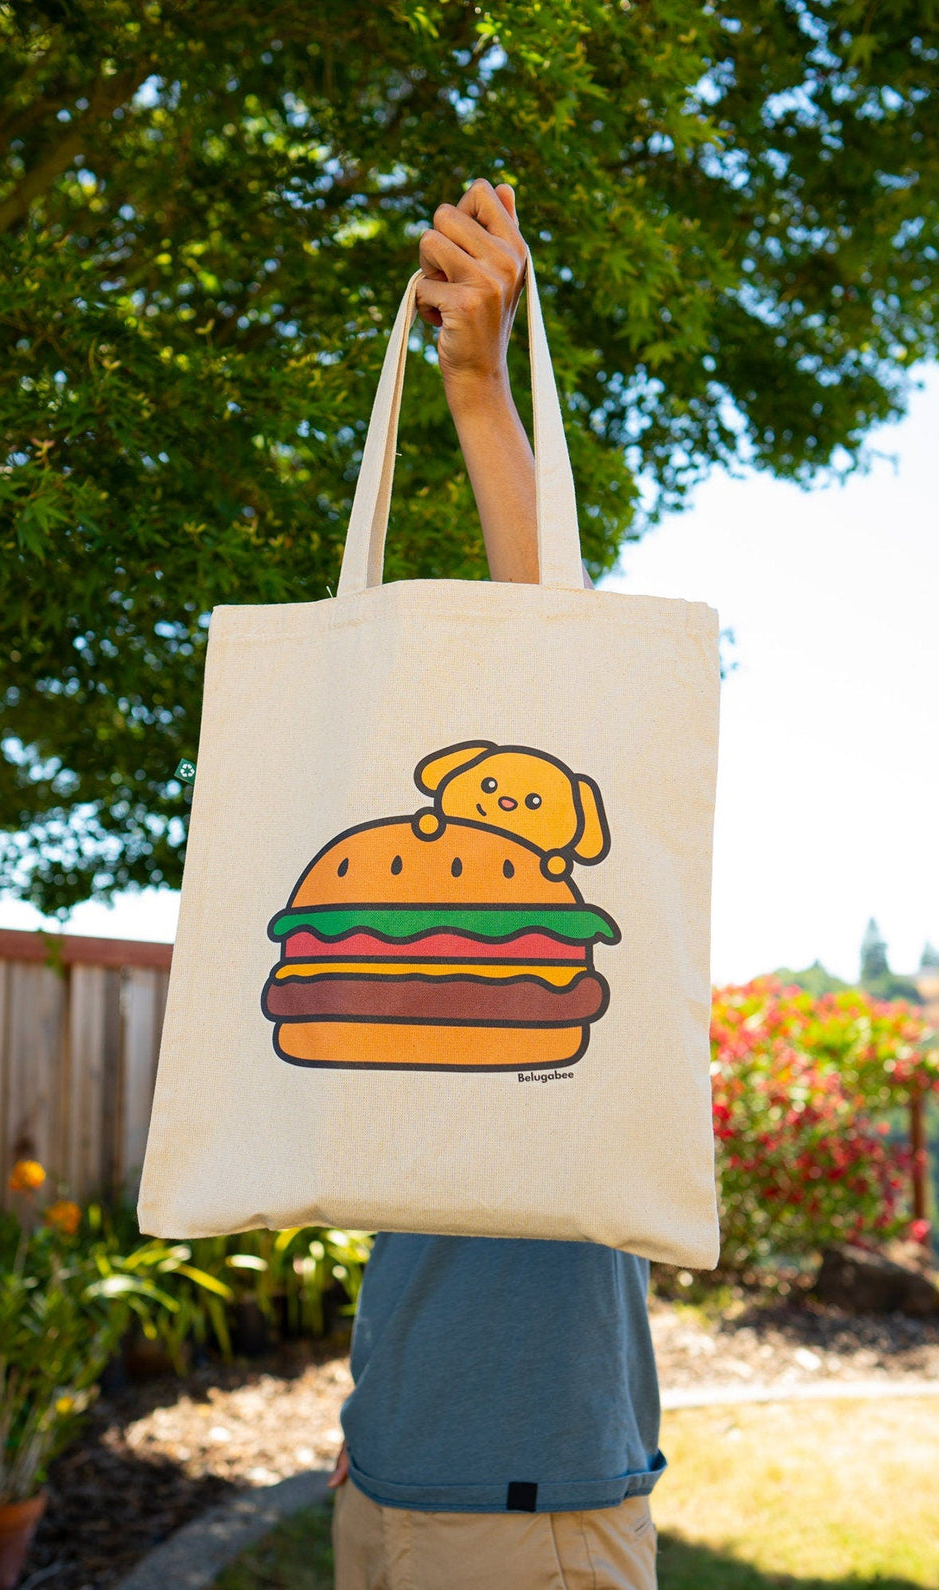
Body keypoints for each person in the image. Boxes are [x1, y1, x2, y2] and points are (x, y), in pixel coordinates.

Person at [326, 179, 664, 1590]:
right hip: (386, 1457)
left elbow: (546, 646)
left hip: (529, 1499)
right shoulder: (393, 905)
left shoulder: (597, 895)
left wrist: (477, 391)